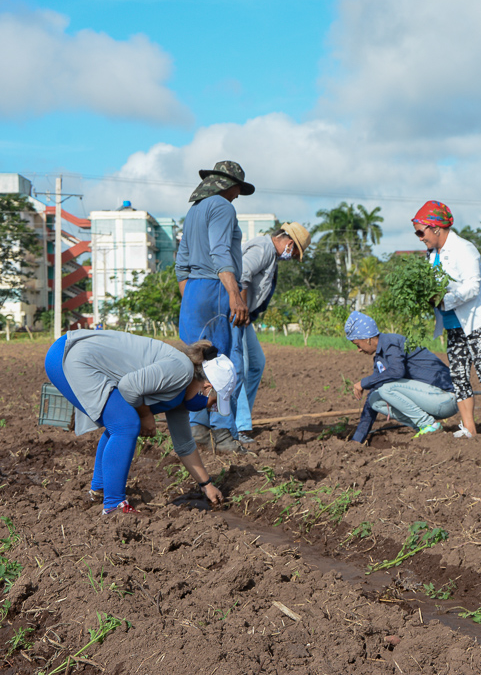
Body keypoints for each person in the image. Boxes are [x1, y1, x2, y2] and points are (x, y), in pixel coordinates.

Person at [43, 330, 236, 515]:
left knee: (120, 422)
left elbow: (184, 444)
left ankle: (100, 490)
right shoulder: (182, 371)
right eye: (214, 404)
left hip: (69, 354)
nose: (212, 409)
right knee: (126, 424)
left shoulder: (181, 395)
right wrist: (145, 415)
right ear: (207, 387)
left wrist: (207, 485)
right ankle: (114, 505)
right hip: (70, 356)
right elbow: (128, 386)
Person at [412, 200, 481, 439]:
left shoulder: (465, 249)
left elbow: (473, 287)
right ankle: (469, 429)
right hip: (453, 321)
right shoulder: (431, 255)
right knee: (459, 373)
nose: (419, 237)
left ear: (436, 228)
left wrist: (445, 300)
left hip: (478, 318)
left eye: (421, 231)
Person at [176, 160, 252, 453]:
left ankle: (197, 432)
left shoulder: (193, 211)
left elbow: (181, 264)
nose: (237, 196)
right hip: (216, 289)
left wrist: (194, 299)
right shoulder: (222, 206)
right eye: (237, 190)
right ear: (227, 185)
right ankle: (222, 434)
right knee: (225, 364)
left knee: (196, 364)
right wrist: (233, 293)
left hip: (193, 291)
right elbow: (220, 252)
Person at [234, 222, 311, 441]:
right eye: (295, 252)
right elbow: (242, 274)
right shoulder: (264, 249)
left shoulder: (271, 255)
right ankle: (238, 427)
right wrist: (242, 306)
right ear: (289, 243)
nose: (293, 256)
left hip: (244, 316)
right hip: (236, 312)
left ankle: (241, 419)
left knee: (256, 363)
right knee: (242, 365)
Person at [344, 312, 458, 444]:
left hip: (446, 398)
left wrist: (363, 382)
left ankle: (428, 425)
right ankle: (423, 429)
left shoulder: (391, 343)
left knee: (386, 388)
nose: (358, 350)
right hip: (430, 399)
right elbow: (373, 394)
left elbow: (397, 371)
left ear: (367, 339)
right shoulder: (380, 358)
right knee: (374, 399)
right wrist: (357, 440)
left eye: (358, 344)